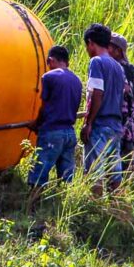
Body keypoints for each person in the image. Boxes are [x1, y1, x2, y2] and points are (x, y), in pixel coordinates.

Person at [27, 45, 83, 189]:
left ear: (51, 60)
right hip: (70, 133)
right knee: (66, 178)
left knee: (38, 173)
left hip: (52, 132)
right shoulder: (76, 80)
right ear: (67, 62)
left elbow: (44, 106)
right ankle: (63, 207)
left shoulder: (49, 77)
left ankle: (31, 207)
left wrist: (36, 124)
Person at [80, 24, 126, 190]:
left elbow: (97, 94)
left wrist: (88, 122)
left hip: (100, 124)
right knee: (114, 173)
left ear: (91, 43)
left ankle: (94, 208)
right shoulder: (119, 67)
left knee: (94, 172)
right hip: (116, 125)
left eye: (87, 46)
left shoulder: (96, 62)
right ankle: (115, 209)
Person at [109, 33, 134, 175]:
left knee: (111, 171)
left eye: (108, 47)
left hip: (114, 126)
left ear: (118, 51)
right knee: (129, 174)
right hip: (131, 129)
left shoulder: (113, 70)